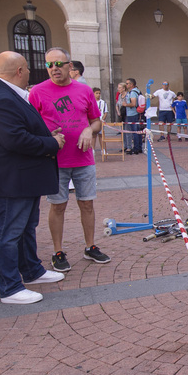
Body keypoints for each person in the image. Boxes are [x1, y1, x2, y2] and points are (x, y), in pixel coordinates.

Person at [0, 51, 66, 305]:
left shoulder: (7, 94)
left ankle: (31, 270)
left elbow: (19, 130)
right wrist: (52, 142)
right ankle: (10, 287)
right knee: (8, 232)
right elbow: (15, 139)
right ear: (19, 71)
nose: (30, 72)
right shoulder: (0, 98)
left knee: (26, 227)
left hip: (22, 178)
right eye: (27, 68)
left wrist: (45, 134)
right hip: (10, 180)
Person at [29, 47, 110, 273]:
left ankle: (90, 246)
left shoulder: (83, 90)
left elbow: (96, 121)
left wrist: (88, 131)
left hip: (83, 159)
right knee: (58, 206)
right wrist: (47, 138)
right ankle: (57, 251)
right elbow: (30, 126)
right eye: (49, 65)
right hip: (54, 160)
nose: (54, 68)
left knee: (87, 203)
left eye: (58, 64)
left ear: (69, 66)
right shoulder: (37, 92)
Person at [123, 78, 143, 155]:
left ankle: (136, 148)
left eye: (127, 83)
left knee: (134, 131)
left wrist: (125, 104)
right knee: (137, 131)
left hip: (132, 114)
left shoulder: (133, 93)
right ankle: (139, 147)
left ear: (131, 84)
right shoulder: (137, 91)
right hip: (135, 113)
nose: (126, 85)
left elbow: (133, 103)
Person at [92, 88, 108, 156]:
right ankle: (93, 150)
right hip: (94, 121)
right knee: (93, 136)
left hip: (101, 121)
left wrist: (103, 119)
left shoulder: (103, 102)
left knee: (101, 136)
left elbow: (105, 112)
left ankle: (103, 149)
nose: (98, 95)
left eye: (99, 93)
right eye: (96, 93)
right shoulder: (91, 102)